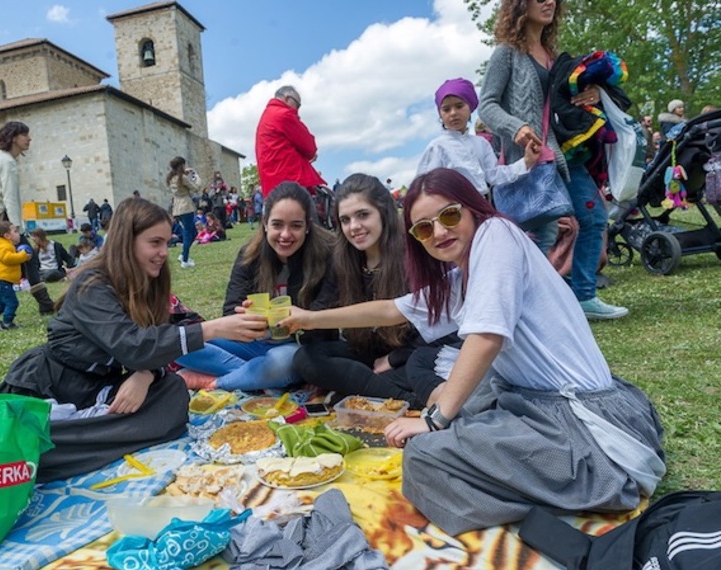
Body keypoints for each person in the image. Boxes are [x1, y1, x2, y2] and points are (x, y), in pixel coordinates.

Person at [281, 168, 665, 536]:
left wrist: (434, 420)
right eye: (424, 228)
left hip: (584, 428)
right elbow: (392, 309)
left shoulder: (496, 236)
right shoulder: (464, 272)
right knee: (461, 405)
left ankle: (567, 494)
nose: (439, 232)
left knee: (425, 456)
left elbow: (485, 338)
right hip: (539, 402)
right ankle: (512, 479)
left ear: (473, 206)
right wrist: (307, 319)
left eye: (449, 215)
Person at [0, 197, 267, 482]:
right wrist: (213, 329)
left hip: (99, 390)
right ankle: (37, 447)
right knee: (20, 437)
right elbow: (134, 345)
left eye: (166, 242)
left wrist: (146, 374)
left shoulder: (147, 283)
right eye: (155, 243)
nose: (163, 252)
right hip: (51, 388)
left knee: (173, 393)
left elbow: (157, 340)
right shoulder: (92, 285)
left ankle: (66, 446)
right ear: (127, 241)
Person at [479, 0, 628, 320]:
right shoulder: (506, 53)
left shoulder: (554, 56)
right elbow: (486, 106)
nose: (549, 1)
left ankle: (583, 297)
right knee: (537, 236)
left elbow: (565, 99)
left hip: (565, 154)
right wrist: (515, 127)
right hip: (530, 160)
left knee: (594, 219)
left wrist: (592, 94)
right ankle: (521, 308)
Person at [293, 173, 460, 407]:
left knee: (418, 367)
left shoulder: (414, 254)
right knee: (306, 359)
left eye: (363, 215)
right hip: (368, 351)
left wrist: (394, 358)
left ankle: (404, 400)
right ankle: (377, 390)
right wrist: (288, 323)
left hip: (413, 353)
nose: (355, 227)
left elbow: (441, 326)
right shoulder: (343, 258)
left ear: (383, 212)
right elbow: (322, 309)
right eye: (346, 220)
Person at [175, 181, 334, 391]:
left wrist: (295, 320)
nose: (285, 234)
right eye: (277, 224)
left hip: (298, 349)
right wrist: (244, 316)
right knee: (180, 346)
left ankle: (214, 382)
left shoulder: (326, 255)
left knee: (285, 363)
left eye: (296, 225)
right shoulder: (250, 254)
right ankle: (254, 375)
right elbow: (230, 309)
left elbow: (324, 315)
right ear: (265, 223)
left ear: (307, 227)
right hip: (251, 344)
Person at [0, 121, 56, 325]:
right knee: (25, 257)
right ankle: (44, 304)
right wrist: (16, 228)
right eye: (25, 135)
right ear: (14, 137)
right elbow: (10, 197)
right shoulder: (7, 161)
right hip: (2, 218)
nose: (29, 139)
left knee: (1, 263)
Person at [417, 78, 540, 195]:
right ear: (440, 114)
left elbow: (494, 176)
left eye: (459, 106)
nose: (453, 113)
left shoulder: (481, 143)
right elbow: (425, 187)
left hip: (482, 207)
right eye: (446, 109)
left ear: (470, 108)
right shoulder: (437, 148)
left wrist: (526, 161)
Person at [255, 85, 326, 196]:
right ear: (288, 99)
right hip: (291, 182)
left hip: (271, 186)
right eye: (297, 105)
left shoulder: (267, 115)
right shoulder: (284, 114)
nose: (297, 110)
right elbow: (310, 148)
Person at [167, 156, 203, 268]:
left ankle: (183, 254)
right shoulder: (182, 177)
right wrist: (196, 176)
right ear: (181, 165)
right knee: (188, 233)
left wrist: (185, 173)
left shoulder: (171, 178)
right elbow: (195, 188)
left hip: (177, 207)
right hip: (186, 207)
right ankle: (185, 260)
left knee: (193, 232)